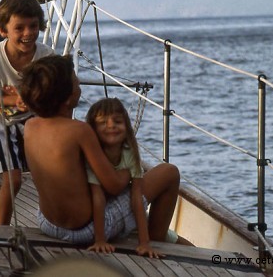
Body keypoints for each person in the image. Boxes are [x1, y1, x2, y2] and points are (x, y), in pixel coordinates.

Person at [19, 55, 184, 257]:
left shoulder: (30, 126)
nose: (79, 84)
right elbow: (114, 185)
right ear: (68, 98)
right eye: (75, 81)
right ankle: (156, 241)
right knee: (168, 173)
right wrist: (131, 170)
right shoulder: (79, 130)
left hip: (48, 223)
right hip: (85, 231)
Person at [0, 0, 54, 225]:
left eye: (33, 26)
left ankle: (53, 221)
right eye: (19, 28)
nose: (28, 33)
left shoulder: (46, 56)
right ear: (3, 31)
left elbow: (52, 94)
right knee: (13, 179)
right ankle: (2, 229)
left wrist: (27, 100)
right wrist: (13, 100)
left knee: (52, 171)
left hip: (31, 118)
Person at [85, 98, 184, 256]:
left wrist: (144, 243)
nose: (111, 126)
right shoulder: (94, 156)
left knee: (183, 244)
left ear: (126, 126)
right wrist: (100, 240)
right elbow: (97, 197)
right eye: (103, 122)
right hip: (102, 214)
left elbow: (137, 197)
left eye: (117, 121)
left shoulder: (129, 151)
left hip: (125, 205)